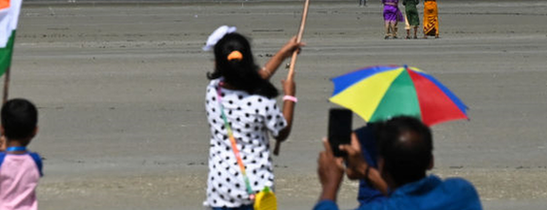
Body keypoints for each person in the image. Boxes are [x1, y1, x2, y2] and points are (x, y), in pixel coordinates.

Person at [204, 31, 298, 210]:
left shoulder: (213, 92)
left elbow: (252, 80)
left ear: (218, 64)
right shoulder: (260, 101)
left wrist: (282, 54)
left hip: (220, 189)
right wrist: (290, 97)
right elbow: (281, 131)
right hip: (255, 192)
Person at [314, 115, 482, 209]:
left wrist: (330, 186)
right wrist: (366, 170)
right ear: (430, 161)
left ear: (382, 164)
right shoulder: (460, 193)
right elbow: (409, 198)